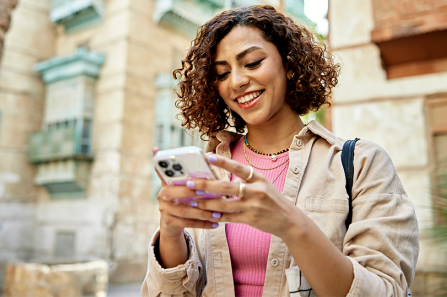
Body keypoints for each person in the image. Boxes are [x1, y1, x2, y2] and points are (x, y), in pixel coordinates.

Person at [142, 5, 419, 297]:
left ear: (288, 64)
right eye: (222, 74)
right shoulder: (210, 170)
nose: (236, 81)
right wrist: (170, 234)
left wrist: (291, 224)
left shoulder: (361, 163)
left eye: (252, 63)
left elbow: (388, 290)